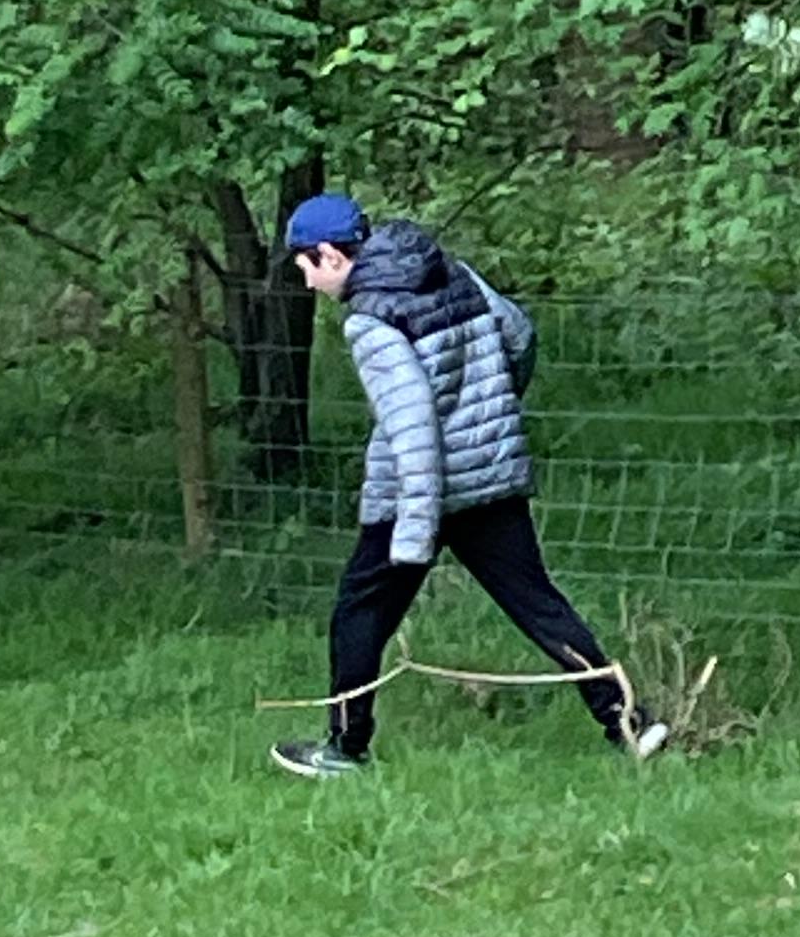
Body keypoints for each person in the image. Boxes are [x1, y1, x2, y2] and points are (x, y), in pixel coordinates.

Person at [266, 190, 668, 780]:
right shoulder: (452, 271)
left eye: (304, 265)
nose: (305, 281)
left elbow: (412, 428)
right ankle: (630, 723)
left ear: (331, 255)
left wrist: (413, 535)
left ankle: (345, 749)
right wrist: (490, 418)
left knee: (359, 612)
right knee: (539, 605)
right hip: (491, 478)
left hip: (418, 494)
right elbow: (519, 335)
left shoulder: (371, 320)